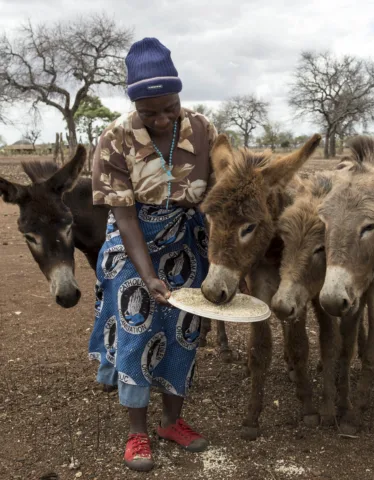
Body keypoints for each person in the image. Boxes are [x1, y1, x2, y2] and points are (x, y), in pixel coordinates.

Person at [89, 37, 217, 472]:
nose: (162, 119)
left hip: (187, 240)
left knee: (185, 328)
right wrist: (147, 276)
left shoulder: (203, 129)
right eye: (150, 112)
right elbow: (123, 218)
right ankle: (137, 432)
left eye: (170, 108)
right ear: (134, 107)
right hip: (133, 244)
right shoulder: (114, 140)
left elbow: (220, 192)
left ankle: (172, 422)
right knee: (137, 327)